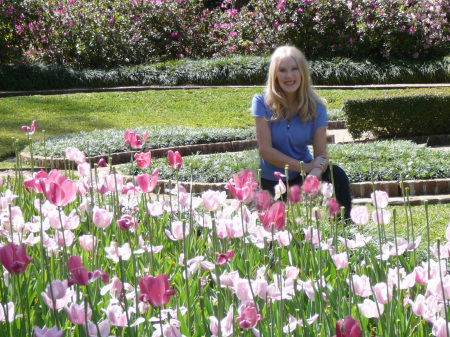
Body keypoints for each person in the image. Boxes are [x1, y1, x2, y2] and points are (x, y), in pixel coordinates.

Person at [252, 45, 352, 219]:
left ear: (302, 73)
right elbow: (264, 150)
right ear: (275, 75)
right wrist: (305, 166)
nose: (289, 76)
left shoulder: (317, 107)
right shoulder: (261, 102)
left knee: (337, 175)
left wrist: (315, 173)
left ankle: (343, 229)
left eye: (294, 69)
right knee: (271, 230)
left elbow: (321, 155)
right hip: (273, 179)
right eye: (282, 70)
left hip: (301, 175)